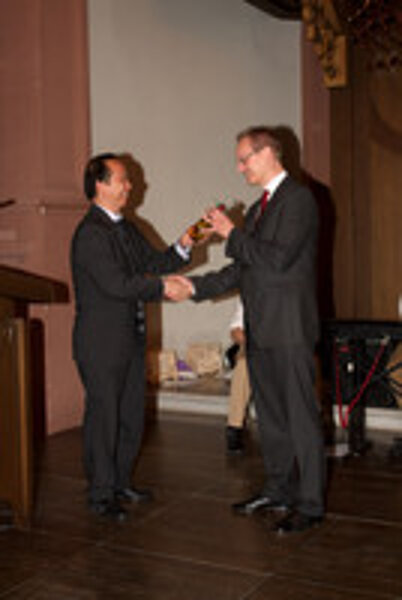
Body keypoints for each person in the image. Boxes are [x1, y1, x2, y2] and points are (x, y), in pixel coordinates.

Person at [173, 126, 326, 533]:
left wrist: (231, 232)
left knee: (300, 418)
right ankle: (278, 490)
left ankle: (311, 505)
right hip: (260, 328)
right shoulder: (259, 209)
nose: (240, 168)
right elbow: (241, 269)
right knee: (271, 418)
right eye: (239, 161)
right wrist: (193, 287)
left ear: (269, 153)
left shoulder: (299, 199)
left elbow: (277, 260)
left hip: (290, 327)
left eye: (245, 160)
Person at [70, 153, 192, 521]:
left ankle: (120, 482)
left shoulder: (125, 227)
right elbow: (117, 285)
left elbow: (157, 263)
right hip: (101, 343)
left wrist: (188, 240)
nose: (130, 186)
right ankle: (100, 494)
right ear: (100, 185)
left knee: (129, 416)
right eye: (122, 180)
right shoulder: (90, 233)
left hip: (129, 339)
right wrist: (163, 288)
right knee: (104, 419)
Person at [226, 298, 250, 455]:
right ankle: (234, 426)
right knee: (243, 365)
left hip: (287, 345)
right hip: (255, 344)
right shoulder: (248, 294)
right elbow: (235, 330)